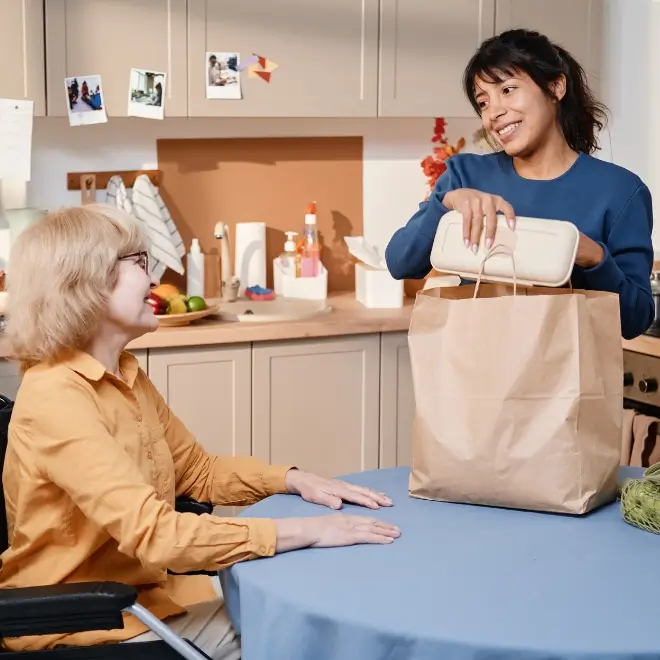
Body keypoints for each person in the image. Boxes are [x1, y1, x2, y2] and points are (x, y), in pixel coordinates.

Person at [0, 204, 400, 658]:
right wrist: (310, 531)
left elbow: (198, 473)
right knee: (293, 632)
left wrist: (292, 479)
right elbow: (159, 535)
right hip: (86, 621)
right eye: (139, 263)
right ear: (85, 279)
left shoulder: (125, 373)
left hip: (148, 596)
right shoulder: (56, 395)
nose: (155, 279)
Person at [385, 29, 654, 340]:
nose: (494, 113)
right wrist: (445, 205)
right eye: (483, 102)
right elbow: (400, 263)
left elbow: (635, 320)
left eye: (508, 90)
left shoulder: (620, 191)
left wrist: (594, 258)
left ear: (555, 87)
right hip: (474, 374)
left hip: (565, 382)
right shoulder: (465, 175)